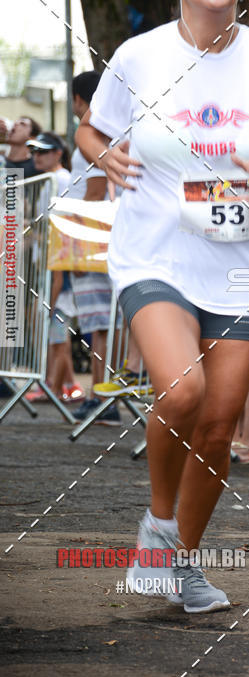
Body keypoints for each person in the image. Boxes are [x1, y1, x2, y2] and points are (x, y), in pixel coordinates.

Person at [76, 0, 249, 613]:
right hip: (154, 252)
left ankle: (183, 560)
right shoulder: (138, 57)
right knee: (181, 392)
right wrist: (99, 147)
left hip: (239, 267)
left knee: (219, 423)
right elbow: (91, 125)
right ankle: (158, 527)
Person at [65, 71, 123, 425]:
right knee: (100, 323)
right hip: (99, 243)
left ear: (79, 101)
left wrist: (79, 248)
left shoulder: (97, 138)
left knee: (102, 324)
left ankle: (105, 398)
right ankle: (101, 395)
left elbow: (96, 191)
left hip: (94, 245)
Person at [25, 132, 84, 404]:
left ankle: (52, 388)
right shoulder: (49, 179)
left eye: (43, 151)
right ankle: (68, 385)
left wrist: (57, 281)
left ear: (58, 153)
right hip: (49, 266)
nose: (37, 156)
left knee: (58, 333)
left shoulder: (61, 180)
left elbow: (60, 234)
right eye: (34, 152)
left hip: (60, 269)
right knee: (55, 332)